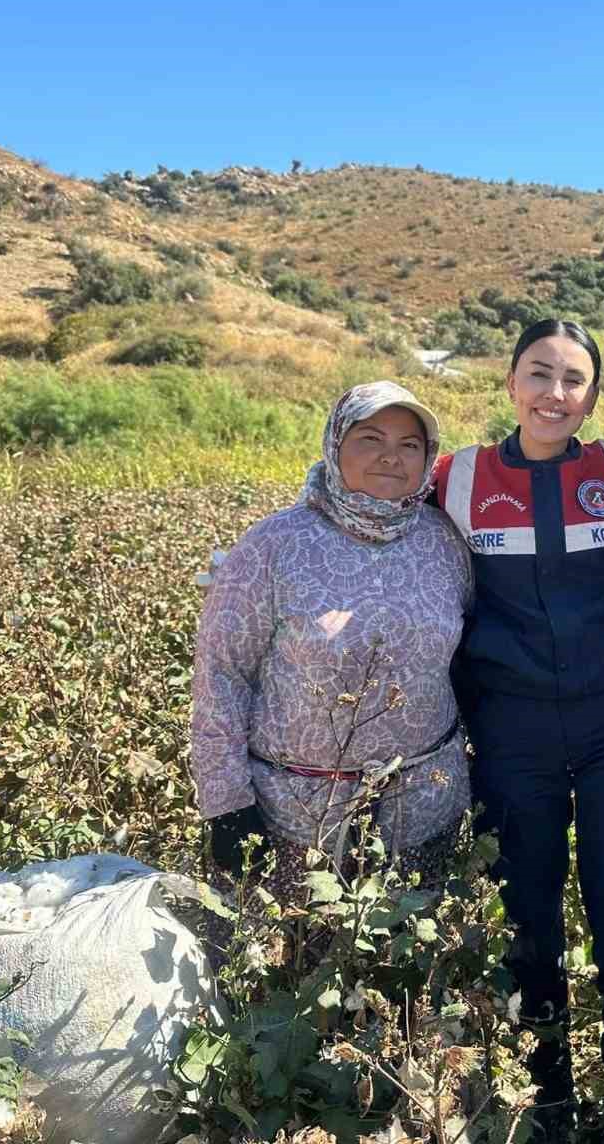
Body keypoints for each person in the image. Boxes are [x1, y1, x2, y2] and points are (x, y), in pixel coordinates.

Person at [434, 319, 604, 1141]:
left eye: (574, 380)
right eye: (540, 374)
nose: (555, 394)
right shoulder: (456, 478)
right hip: (513, 735)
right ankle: (547, 1105)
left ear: (593, 398)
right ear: (509, 382)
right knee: (527, 924)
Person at [192, 380, 473, 915]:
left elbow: (468, 660)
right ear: (335, 443)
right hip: (296, 818)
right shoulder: (274, 545)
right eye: (371, 438)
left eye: (409, 444)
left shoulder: (442, 541)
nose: (391, 457)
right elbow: (222, 678)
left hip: (424, 808)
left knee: (404, 973)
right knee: (301, 973)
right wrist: (227, 806)